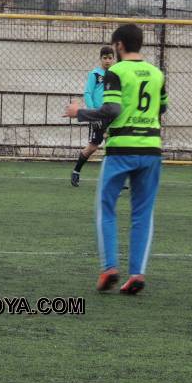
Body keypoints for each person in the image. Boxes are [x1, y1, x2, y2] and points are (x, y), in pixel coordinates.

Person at [63, 24, 167, 295]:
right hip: (151, 150)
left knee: (106, 207)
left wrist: (79, 113)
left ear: (119, 45)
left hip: (121, 149)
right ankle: (137, 274)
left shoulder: (116, 72)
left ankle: (110, 267)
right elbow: (162, 107)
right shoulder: (157, 74)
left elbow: (111, 109)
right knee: (142, 213)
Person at [70, 46, 115, 187]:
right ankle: (76, 171)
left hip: (112, 114)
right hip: (98, 115)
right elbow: (88, 93)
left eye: (110, 58)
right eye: (105, 58)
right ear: (100, 59)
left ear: (113, 59)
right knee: (93, 147)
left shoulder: (115, 74)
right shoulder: (95, 74)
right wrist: (92, 113)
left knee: (113, 146)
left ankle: (114, 179)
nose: (107, 61)